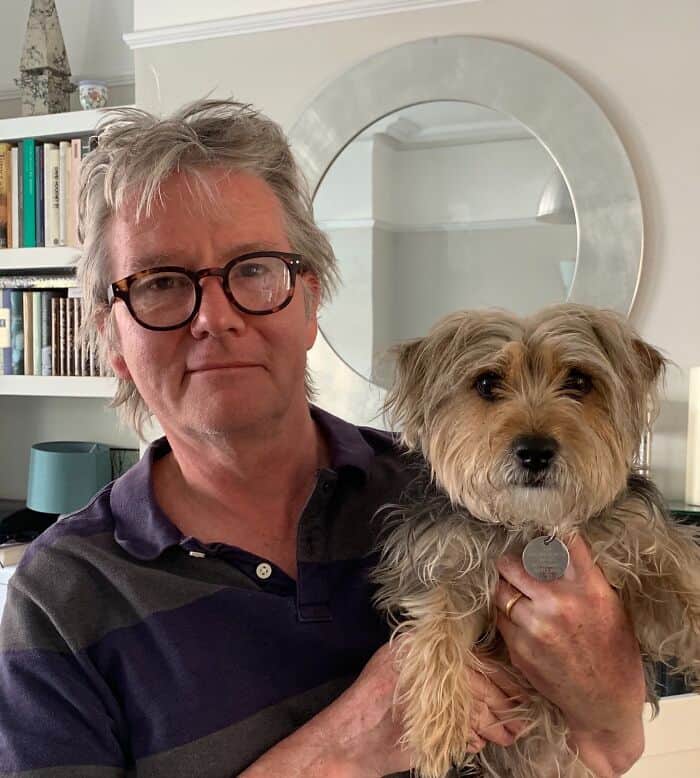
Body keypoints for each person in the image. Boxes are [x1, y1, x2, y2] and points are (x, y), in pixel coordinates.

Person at [0, 100, 646, 778]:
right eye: (161, 282)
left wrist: (605, 685)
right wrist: (342, 747)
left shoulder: (453, 491)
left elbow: (610, 750)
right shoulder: (60, 599)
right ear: (111, 337)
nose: (215, 318)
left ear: (309, 299)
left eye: (253, 270)